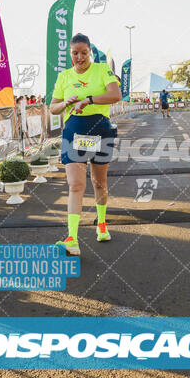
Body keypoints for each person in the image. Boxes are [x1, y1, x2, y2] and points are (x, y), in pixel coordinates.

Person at [49, 33, 122, 256]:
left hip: (101, 128)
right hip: (74, 131)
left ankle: (101, 224)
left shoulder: (102, 70)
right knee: (75, 184)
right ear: (70, 53)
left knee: (98, 182)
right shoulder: (64, 76)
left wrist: (87, 100)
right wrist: (65, 102)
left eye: (83, 52)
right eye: (75, 53)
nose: (79, 57)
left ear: (90, 51)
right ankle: (72, 239)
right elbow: (52, 108)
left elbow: (115, 94)